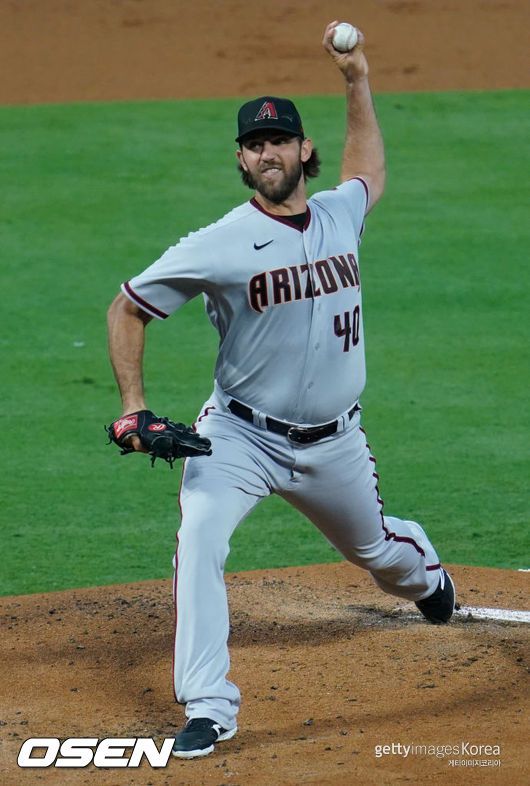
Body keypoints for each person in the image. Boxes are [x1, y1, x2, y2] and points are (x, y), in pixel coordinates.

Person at [107, 21, 456, 760]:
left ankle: (425, 573)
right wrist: (133, 406)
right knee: (199, 536)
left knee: (380, 553)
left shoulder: (338, 214)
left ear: (304, 150)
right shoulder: (221, 241)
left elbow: (368, 167)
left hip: (335, 443)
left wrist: (357, 80)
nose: (268, 153)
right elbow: (128, 307)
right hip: (237, 436)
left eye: (280, 141)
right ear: (241, 159)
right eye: (255, 144)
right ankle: (209, 705)